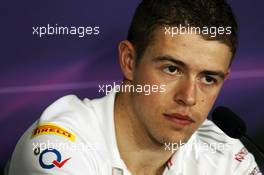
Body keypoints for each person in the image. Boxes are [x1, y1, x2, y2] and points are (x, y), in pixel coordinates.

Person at [7, 0, 262, 174]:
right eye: (172, 69)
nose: (189, 97)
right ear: (129, 61)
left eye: (208, 78)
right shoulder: (57, 147)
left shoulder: (224, 153)